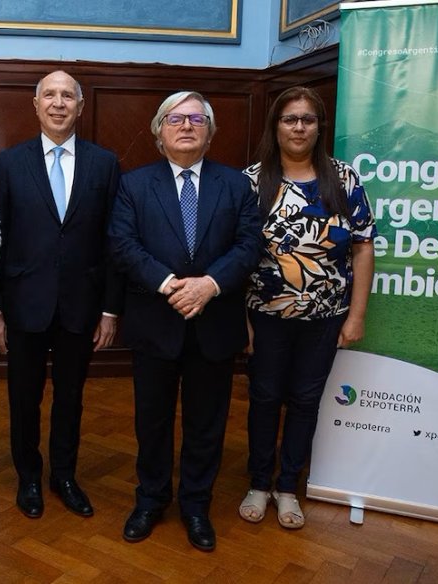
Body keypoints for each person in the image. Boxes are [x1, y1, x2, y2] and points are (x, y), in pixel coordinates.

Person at [109, 91, 263, 552]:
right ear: (159, 131)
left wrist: (209, 285)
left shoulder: (236, 185)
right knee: (151, 421)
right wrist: (172, 284)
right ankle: (151, 499)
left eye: (198, 119)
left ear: (211, 133)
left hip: (213, 326)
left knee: (206, 424)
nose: (187, 125)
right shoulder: (134, 185)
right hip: (156, 322)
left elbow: (250, 245)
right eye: (176, 118)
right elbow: (122, 243)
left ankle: (196, 505)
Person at [238, 86, 376, 530]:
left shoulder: (344, 179)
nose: (299, 127)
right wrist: (242, 320)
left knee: (305, 401)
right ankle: (259, 482)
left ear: (320, 127)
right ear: (275, 126)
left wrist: (355, 316)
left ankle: (286, 488)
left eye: (307, 120)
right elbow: (236, 255)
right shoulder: (251, 181)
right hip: (265, 316)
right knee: (263, 399)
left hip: (326, 318)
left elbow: (362, 248)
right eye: (289, 119)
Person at [0, 70, 122, 519]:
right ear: (36, 104)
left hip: (81, 307)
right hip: (24, 304)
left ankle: (64, 475)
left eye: (68, 96)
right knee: (23, 397)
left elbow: (112, 242)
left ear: (81, 107)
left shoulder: (105, 164)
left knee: (71, 397)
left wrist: (109, 309)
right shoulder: (10, 162)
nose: (59, 103)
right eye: (50, 95)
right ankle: (28, 476)